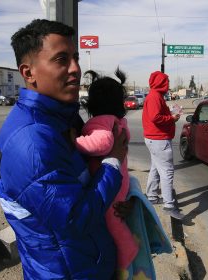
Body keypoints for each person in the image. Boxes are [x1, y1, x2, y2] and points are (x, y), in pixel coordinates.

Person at [0, 19, 128, 279]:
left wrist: (118, 201)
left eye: (75, 58)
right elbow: (75, 219)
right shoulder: (31, 142)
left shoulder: (62, 118)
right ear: (28, 73)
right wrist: (113, 163)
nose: (75, 69)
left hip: (88, 263)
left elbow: (83, 185)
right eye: (61, 59)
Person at [74, 69, 138, 277]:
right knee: (115, 220)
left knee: (112, 221)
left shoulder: (102, 121)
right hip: (118, 179)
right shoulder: (115, 120)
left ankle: (127, 254)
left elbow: (102, 143)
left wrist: (75, 142)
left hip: (112, 183)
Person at [141, 71, 184, 220]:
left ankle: (152, 196)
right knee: (167, 172)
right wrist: (171, 117)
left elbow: (158, 116)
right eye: (167, 82)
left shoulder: (155, 96)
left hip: (155, 139)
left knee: (155, 168)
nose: (168, 85)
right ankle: (169, 206)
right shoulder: (154, 97)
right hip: (159, 140)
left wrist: (171, 117)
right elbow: (155, 117)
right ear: (161, 83)